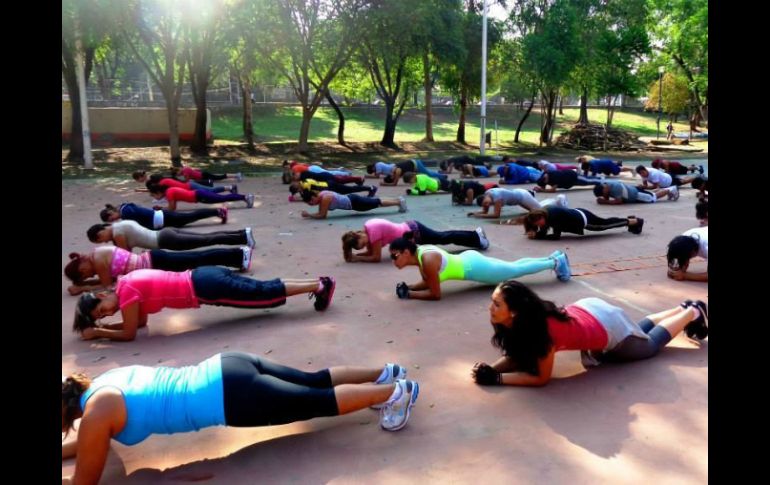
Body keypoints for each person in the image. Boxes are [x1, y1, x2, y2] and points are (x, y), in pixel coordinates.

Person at [61, 356, 419, 483]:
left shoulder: (96, 414)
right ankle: (386, 372)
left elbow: (84, 480)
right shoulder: (102, 386)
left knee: (317, 402)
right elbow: (90, 443)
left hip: (228, 397)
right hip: (226, 365)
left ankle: (396, 393)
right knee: (313, 380)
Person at [470, 280, 708, 387]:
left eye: (497, 304)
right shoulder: (525, 319)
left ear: (514, 312)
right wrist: (492, 369)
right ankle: (681, 308)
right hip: (590, 311)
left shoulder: (541, 332)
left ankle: (693, 312)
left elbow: (541, 378)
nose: (491, 308)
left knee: (649, 346)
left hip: (605, 324)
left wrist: (498, 378)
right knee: (634, 332)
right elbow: (517, 356)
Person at [71, 268, 337, 341]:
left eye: (103, 310)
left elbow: (130, 333)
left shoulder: (126, 292)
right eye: (103, 317)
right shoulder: (126, 284)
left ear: (100, 296)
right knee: (263, 288)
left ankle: (319, 285)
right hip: (203, 276)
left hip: (204, 288)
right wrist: (104, 329)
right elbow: (138, 323)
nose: (109, 313)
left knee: (264, 294)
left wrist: (99, 332)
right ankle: (317, 282)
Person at [388, 238, 571, 301]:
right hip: (470, 260)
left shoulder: (427, 260)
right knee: (514, 266)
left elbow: (435, 294)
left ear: (406, 252)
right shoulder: (422, 253)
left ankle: (555, 262)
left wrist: (410, 295)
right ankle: (551, 258)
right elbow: (428, 281)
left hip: (476, 268)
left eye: (394, 256)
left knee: (515, 270)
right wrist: (410, 287)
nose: (393, 260)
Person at [64, 245, 252, 295]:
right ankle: (237, 257)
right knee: (196, 259)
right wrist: (86, 285)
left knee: (198, 258)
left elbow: (107, 287)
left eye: (87, 275)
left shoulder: (98, 261)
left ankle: (238, 254)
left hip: (155, 262)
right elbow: (108, 282)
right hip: (154, 262)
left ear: (82, 268)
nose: (91, 275)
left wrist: (83, 288)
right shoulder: (96, 255)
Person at [342, 218, 489, 262]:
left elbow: (375, 257)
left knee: (443, 237)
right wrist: (356, 256)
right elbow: (370, 252)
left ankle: (477, 237)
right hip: (411, 229)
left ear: (359, 236)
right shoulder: (367, 227)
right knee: (442, 237)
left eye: (363, 243)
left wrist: (356, 257)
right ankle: (475, 236)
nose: (366, 245)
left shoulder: (372, 233)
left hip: (414, 232)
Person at [86, 220, 255, 251]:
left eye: (100, 238)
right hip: (166, 233)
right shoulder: (120, 224)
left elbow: (124, 255)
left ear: (101, 230)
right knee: (207, 236)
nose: (104, 241)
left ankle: (242, 237)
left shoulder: (117, 233)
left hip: (165, 240)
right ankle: (241, 234)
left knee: (206, 240)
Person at [523, 207, 644, 240]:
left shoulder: (554, 218)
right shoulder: (546, 211)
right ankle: (630, 220)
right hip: (579, 212)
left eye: (538, 222)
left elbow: (556, 236)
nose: (538, 225)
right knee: (605, 221)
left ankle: (635, 221)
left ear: (541, 216)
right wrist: (535, 233)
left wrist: (537, 237)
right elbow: (543, 229)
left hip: (584, 220)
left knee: (606, 225)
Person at [100, 203, 227, 229]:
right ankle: (218, 212)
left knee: (190, 216)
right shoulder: (124, 208)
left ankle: (218, 211)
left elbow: (137, 224)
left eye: (112, 219)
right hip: (162, 219)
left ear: (111, 213)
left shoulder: (126, 213)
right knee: (187, 220)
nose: (114, 220)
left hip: (163, 218)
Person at [300, 190, 407, 219]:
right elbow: (320, 212)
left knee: (377, 203)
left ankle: (398, 202)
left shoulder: (325, 198)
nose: (312, 204)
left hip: (355, 203)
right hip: (352, 200)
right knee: (376, 201)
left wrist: (309, 215)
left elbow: (322, 215)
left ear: (314, 197)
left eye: (311, 202)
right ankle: (397, 200)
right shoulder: (322, 194)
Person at [148, 184, 255, 210]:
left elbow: (172, 209)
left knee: (222, 198)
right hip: (198, 195)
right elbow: (173, 207)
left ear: (158, 192)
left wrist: (160, 208)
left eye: (153, 195)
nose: (154, 197)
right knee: (221, 198)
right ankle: (245, 198)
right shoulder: (169, 191)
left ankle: (246, 197)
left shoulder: (169, 193)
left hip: (199, 195)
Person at [467, 188, 556, 219]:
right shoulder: (487, 194)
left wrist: (479, 216)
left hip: (523, 196)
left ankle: (556, 202)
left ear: (485, 197)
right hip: (518, 198)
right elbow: (485, 212)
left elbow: (496, 215)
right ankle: (550, 202)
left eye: (486, 203)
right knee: (533, 210)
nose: (487, 205)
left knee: (540, 210)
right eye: (485, 205)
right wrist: (475, 213)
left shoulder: (497, 197)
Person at [132, 170, 236, 193]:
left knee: (210, 191)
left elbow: (152, 190)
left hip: (185, 187)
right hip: (184, 185)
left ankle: (230, 187)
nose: (138, 181)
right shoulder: (154, 177)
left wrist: (140, 190)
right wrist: (140, 190)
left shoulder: (151, 182)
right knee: (208, 189)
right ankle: (229, 187)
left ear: (141, 177)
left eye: (137, 179)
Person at [367, 159, 447, 186]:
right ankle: (442, 175)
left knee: (428, 174)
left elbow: (394, 184)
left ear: (392, 177)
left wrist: (385, 184)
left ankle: (442, 176)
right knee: (428, 173)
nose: (392, 177)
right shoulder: (393, 172)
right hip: (415, 165)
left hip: (416, 164)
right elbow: (394, 182)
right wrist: (385, 182)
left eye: (391, 177)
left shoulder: (396, 171)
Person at [288, 178, 377, 201]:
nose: (298, 192)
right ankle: (370, 188)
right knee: (349, 190)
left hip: (330, 187)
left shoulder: (306, 185)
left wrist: (297, 198)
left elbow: (309, 197)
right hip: (329, 186)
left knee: (350, 189)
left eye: (297, 191)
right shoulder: (304, 183)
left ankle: (371, 188)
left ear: (297, 188)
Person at [593, 181, 679, 205]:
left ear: (604, 189)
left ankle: (671, 189)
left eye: (603, 193)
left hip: (636, 195)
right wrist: (604, 199)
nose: (604, 195)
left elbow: (618, 201)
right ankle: (668, 190)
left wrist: (604, 201)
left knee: (652, 197)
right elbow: (606, 195)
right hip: (633, 191)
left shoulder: (616, 187)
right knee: (650, 194)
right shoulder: (606, 185)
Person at [533, 169, 602, 193]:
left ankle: (601, 181)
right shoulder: (544, 177)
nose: (547, 184)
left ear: (546, 179)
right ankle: (598, 179)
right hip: (568, 182)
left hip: (572, 177)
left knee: (587, 181)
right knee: (586, 179)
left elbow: (552, 190)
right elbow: (543, 187)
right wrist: (540, 189)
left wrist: (541, 190)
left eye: (546, 183)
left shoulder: (554, 177)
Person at [170, 165, 242, 183]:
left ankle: (236, 175)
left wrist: (178, 181)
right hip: (203, 174)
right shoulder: (184, 168)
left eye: (178, 174)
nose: (179, 176)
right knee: (217, 178)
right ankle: (236, 175)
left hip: (203, 176)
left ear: (177, 172)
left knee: (219, 177)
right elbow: (195, 170)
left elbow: (187, 181)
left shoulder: (185, 172)